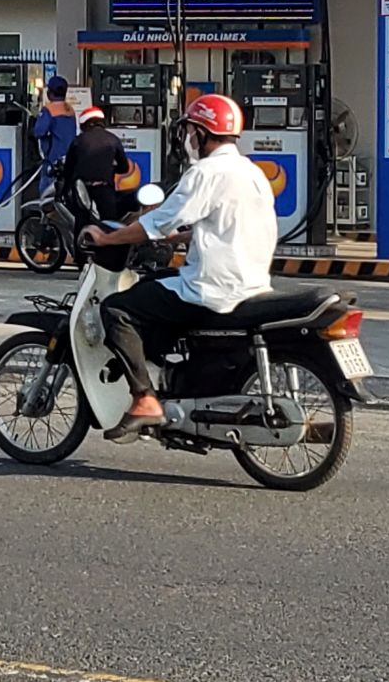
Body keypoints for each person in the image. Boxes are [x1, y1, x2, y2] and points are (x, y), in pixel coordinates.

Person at [84, 93, 278, 443]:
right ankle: (169, 376)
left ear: (202, 133)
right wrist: (182, 237)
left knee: (118, 309)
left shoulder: (206, 172)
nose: (187, 138)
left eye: (190, 130)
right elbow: (228, 226)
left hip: (211, 289)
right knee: (156, 283)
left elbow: (155, 222)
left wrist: (108, 238)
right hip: (250, 282)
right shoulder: (252, 172)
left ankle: (144, 398)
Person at [62, 105, 131, 224]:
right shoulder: (113, 139)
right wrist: (110, 169)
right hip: (105, 188)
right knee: (110, 223)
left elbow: (68, 168)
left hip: (82, 189)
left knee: (81, 221)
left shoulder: (78, 140)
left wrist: (65, 189)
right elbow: (124, 168)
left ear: (85, 124)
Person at [29, 76, 77, 197]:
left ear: (49, 93)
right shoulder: (70, 110)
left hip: (53, 160)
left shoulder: (48, 110)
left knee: (46, 194)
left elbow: (39, 131)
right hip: (70, 159)